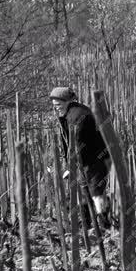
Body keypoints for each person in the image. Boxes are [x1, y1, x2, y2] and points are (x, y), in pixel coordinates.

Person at [50, 86, 112, 229]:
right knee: (85, 192)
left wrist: (71, 167)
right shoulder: (68, 114)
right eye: (54, 105)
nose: (56, 108)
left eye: (58, 105)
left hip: (95, 159)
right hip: (85, 161)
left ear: (67, 101)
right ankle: (88, 225)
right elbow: (69, 143)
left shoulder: (78, 116)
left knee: (96, 192)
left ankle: (104, 225)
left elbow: (77, 145)